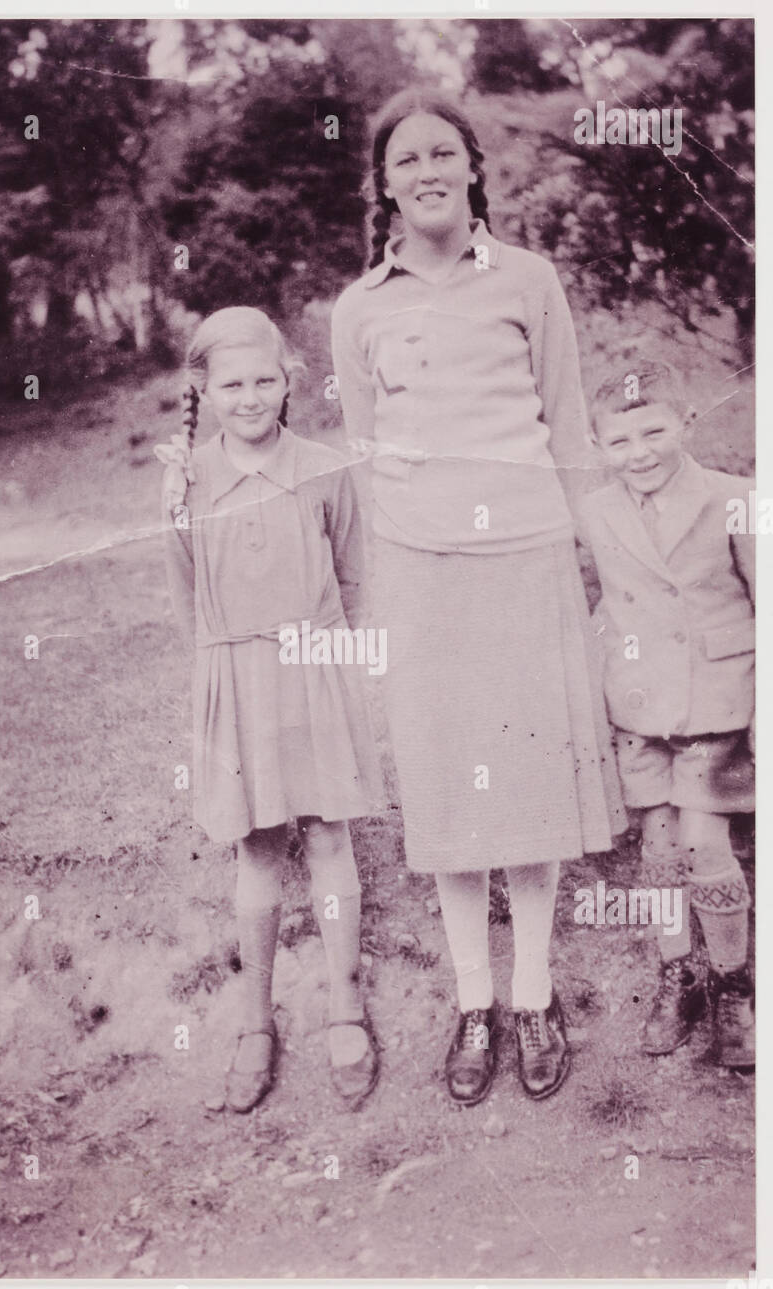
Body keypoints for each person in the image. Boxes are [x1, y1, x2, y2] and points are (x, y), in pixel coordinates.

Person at [331, 88, 625, 1105]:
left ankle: (534, 995)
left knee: (532, 790)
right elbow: (366, 465)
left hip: (530, 556)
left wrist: (609, 568)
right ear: (383, 183)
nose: (425, 172)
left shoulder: (530, 281)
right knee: (453, 792)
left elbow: (573, 430)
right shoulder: (358, 308)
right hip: (422, 571)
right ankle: (472, 1004)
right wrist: (379, 598)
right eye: (404, 159)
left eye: (441, 154)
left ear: (469, 168)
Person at [157, 306, 384, 1112]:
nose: (249, 397)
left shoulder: (324, 468)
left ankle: (345, 1008)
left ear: (287, 379)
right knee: (257, 845)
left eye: (264, 380)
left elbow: (353, 579)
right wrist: (220, 680)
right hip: (235, 676)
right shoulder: (185, 481)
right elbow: (188, 597)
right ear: (202, 389)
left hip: (314, 669)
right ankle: (254, 1021)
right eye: (231, 384)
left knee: (326, 832)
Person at [578, 360, 755, 1068]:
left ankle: (733, 987)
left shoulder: (736, 497)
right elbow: (596, 600)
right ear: (597, 445)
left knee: (704, 848)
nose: (639, 452)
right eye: (619, 441)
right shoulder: (593, 512)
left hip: (717, 696)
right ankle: (674, 975)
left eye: (653, 432)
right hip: (640, 704)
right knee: (656, 854)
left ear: (684, 423)